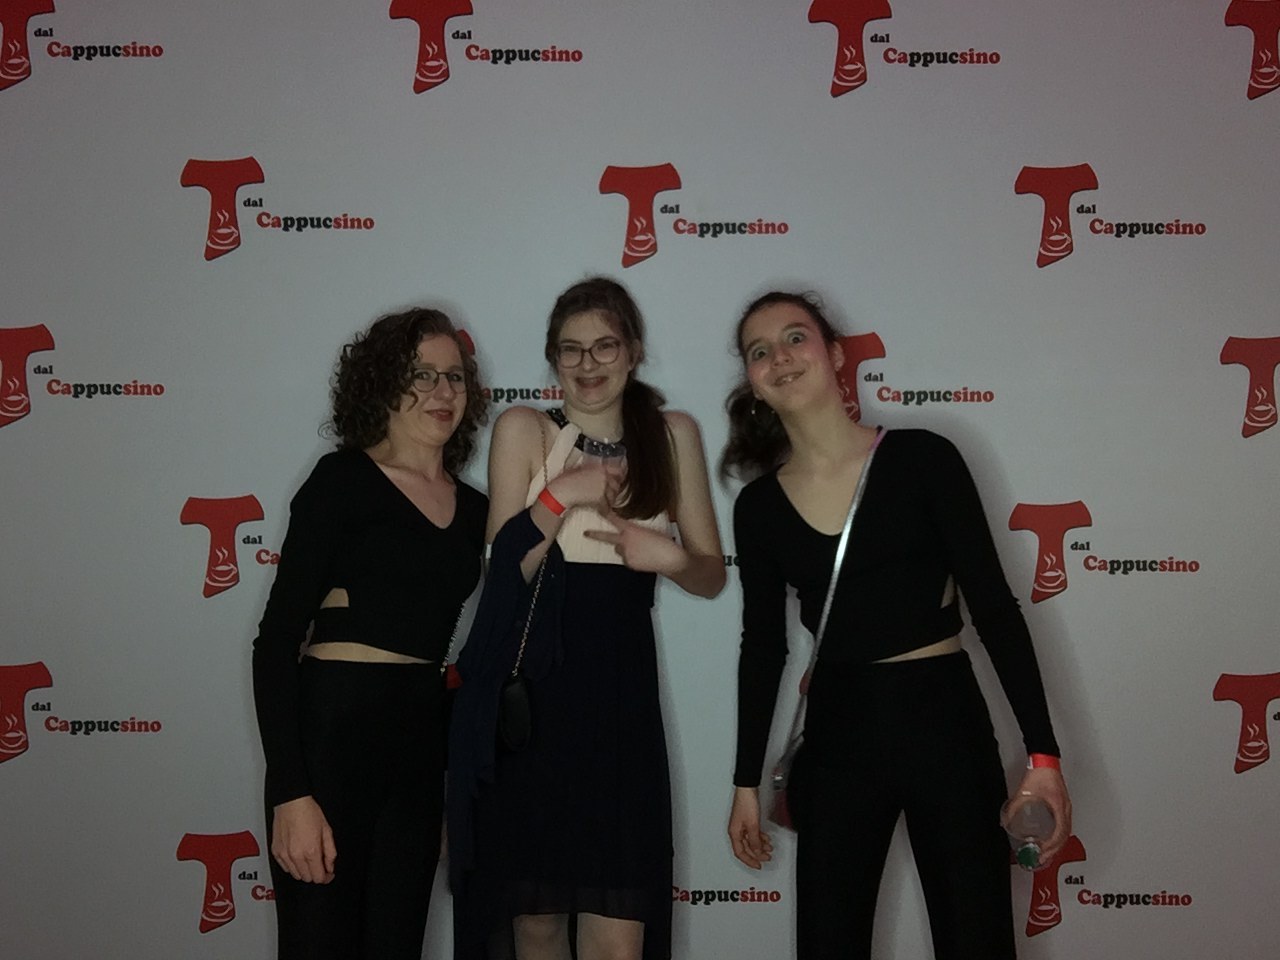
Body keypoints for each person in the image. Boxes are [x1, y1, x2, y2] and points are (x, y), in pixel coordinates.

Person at [722, 291, 1071, 960]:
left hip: (944, 722)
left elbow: (994, 608)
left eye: (795, 337)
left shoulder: (923, 459)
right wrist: (745, 783)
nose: (780, 357)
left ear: (835, 354)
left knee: (977, 942)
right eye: (759, 351)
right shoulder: (758, 508)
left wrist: (1044, 755)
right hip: (839, 736)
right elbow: (762, 649)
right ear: (754, 382)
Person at [448, 276, 725, 960]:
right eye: (570, 350)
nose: (588, 364)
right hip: (531, 709)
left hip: (621, 710)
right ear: (553, 358)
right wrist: (562, 495)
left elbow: (711, 575)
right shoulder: (525, 429)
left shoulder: (672, 435)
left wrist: (667, 557)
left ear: (633, 352)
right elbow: (503, 573)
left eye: (605, 346)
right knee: (536, 927)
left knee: (617, 940)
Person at [252, 307, 489, 960]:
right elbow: (275, 643)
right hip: (334, 737)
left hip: (419, 749)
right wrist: (291, 793)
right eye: (421, 374)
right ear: (383, 382)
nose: (442, 391)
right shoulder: (341, 481)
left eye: (454, 376)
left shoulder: (475, 510)